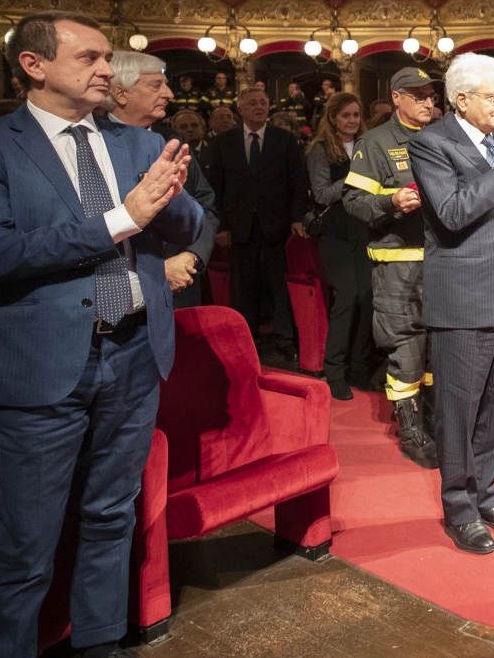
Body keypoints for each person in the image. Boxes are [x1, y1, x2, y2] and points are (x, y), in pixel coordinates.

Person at [0, 11, 199, 658]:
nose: (107, 70)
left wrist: (171, 198)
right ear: (34, 65)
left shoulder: (136, 141)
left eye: (108, 57)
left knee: (113, 513)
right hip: (39, 363)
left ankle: (100, 651)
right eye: (89, 57)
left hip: (133, 353)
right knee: (27, 538)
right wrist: (123, 218)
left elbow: (185, 227)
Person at [408, 55, 494, 555]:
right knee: (459, 412)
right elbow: (452, 212)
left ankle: (486, 493)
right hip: (463, 298)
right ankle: (460, 509)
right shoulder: (431, 143)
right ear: (461, 99)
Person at [340, 68, 440, 462]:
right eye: (418, 95)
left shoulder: (442, 136)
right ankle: (411, 432)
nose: (428, 102)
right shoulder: (376, 142)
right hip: (398, 265)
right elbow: (353, 202)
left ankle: (433, 421)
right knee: (408, 349)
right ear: (396, 98)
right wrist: (391, 201)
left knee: (436, 350)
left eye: (431, 95)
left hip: (442, 262)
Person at [104, 53, 219, 311]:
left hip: (181, 286)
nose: (169, 94)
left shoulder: (172, 141)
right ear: (120, 93)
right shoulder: (91, 140)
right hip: (119, 295)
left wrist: (191, 256)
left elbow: (206, 205)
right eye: (156, 85)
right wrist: (156, 269)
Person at [207, 85, 310, 362]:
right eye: (252, 103)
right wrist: (221, 226)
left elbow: (298, 182)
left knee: (280, 286)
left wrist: (296, 217)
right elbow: (215, 187)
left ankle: (285, 339)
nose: (259, 107)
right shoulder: (224, 142)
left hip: (277, 224)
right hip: (239, 226)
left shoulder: (284, 139)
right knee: (243, 288)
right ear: (240, 109)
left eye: (263, 102)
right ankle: (247, 340)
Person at [306, 91, 375, 400]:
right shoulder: (320, 149)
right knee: (346, 297)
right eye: (346, 115)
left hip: (364, 230)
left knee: (367, 297)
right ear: (333, 118)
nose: (352, 120)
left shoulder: (367, 145)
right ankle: (334, 371)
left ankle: (359, 367)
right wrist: (355, 178)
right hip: (334, 233)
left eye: (356, 115)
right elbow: (321, 194)